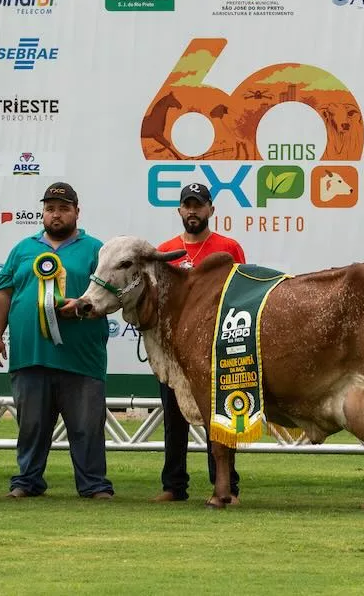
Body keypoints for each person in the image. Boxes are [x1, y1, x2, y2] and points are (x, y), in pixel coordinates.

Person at [0, 182, 114, 500]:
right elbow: (3, 292)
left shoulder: (96, 250)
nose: (56, 214)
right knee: (31, 426)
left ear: (76, 212)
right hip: (30, 355)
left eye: (63, 208)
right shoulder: (22, 249)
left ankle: (94, 485)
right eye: (50, 209)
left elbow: (113, 295)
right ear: (43, 213)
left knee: (86, 427)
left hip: (82, 357)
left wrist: (83, 307)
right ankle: (27, 481)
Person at [153, 183, 246, 503]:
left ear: (211, 210)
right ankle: (173, 486)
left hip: (216, 351)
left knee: (220, 419)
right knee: (173, 420)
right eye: (187, 205)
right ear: (179, 211)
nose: (193, 210)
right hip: (174, 351)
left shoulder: (229, 247)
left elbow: (243, 295)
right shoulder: (163, 250)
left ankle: (226, 487)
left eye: (199, 204)